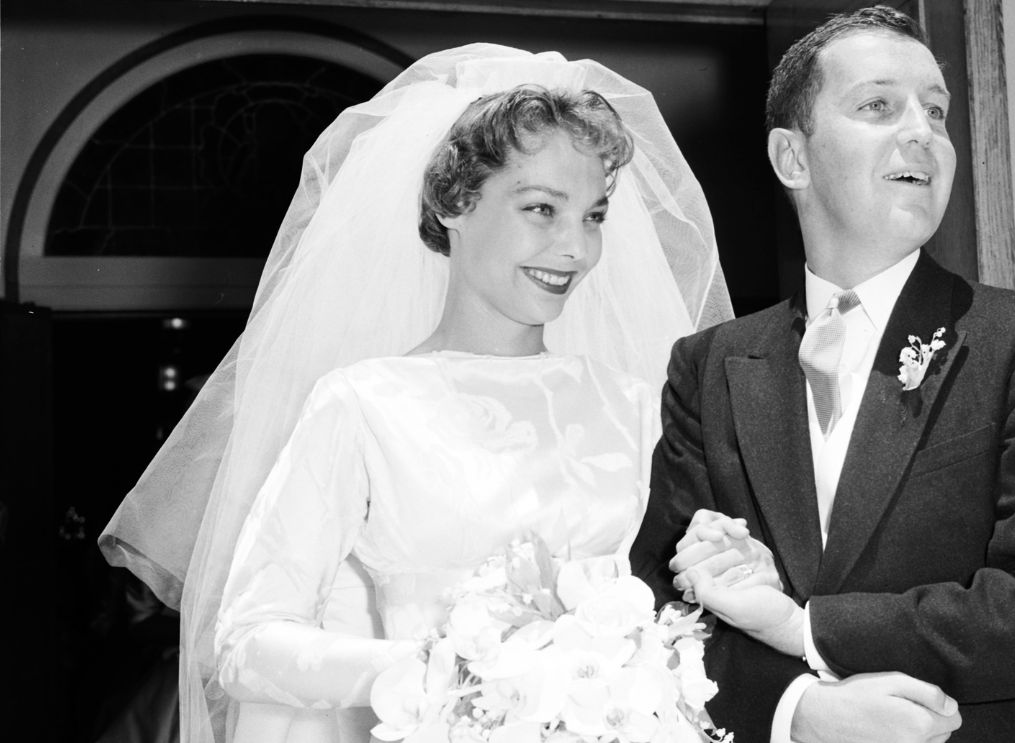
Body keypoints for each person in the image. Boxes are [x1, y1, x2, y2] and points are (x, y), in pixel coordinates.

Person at [99, 44, 732, 743]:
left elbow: (686, 609)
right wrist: (450, 673)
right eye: (541, 208)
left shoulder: (634, 405)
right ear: (454, 202)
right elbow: (246, 641)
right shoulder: (364, 405)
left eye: (593, 216)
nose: (576, 249)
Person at [630, 6, 1015, 743]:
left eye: (936, 111)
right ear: (792, 158)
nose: (922, 132)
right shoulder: (708, 366)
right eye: (878, 106)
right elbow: (658, 605)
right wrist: (796, 709)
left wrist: (806, 629)